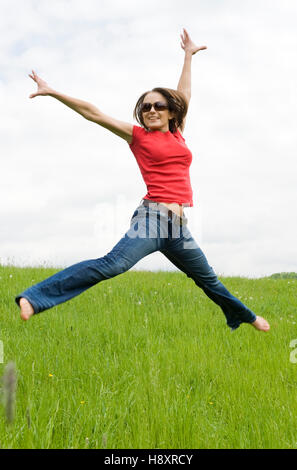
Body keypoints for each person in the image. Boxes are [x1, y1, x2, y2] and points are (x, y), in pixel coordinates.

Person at [16, 28, 270, 332]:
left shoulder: (177, 133)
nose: (151, 109)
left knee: (207, 278)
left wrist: (188, 56)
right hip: (152, 219)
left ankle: (243, 315)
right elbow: (94, 114)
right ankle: (34, 298)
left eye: (158, 105)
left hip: (177, 228)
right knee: (114, 264)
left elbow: (184, 94)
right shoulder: (138, 136)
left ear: (170, 112)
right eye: (146, 106)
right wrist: (54, 92)